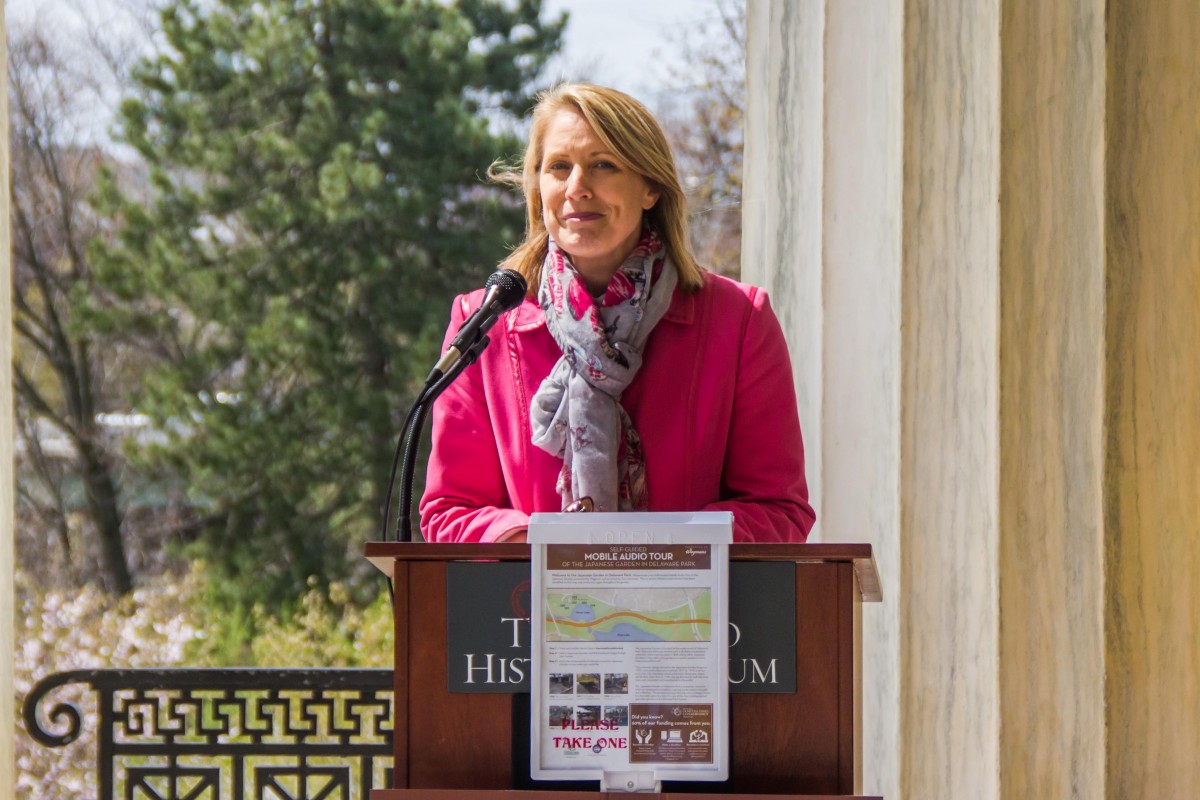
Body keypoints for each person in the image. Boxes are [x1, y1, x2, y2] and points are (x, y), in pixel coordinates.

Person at [420, 83, 814, 543]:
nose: (577, 188)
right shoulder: (482, 325)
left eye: (603, 165)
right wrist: (545, 548)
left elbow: (778, 510)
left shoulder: (740, 321)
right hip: (524, 608)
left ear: (650, 187)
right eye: (559, 167)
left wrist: (655, 554)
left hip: (689, 613)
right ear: (538, 188)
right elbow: (449, 512)